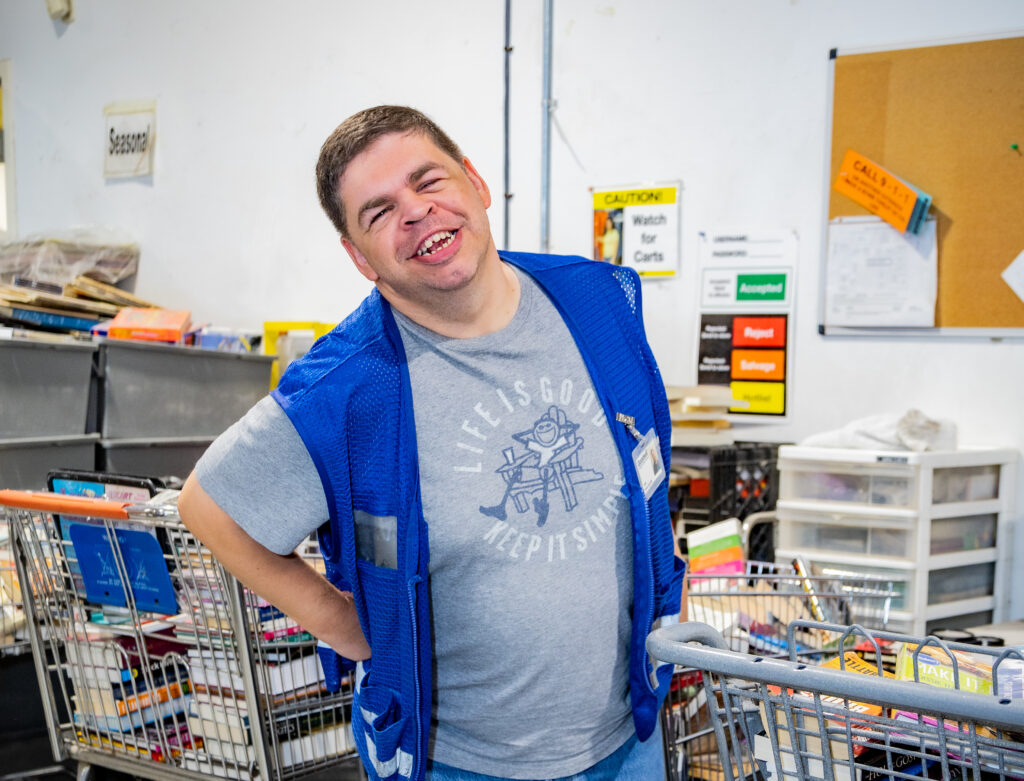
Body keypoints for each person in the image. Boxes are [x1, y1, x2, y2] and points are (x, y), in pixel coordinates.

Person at [178, 105, 686, 781]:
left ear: (475, 182)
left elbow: (646, 458)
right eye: (379, 212)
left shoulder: (595, 301)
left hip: (631, 739)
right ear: (359, 257)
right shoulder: (348, 388)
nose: (416, 212)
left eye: (429, 180)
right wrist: (341, 624)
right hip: (456, 762)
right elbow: (207, 506)